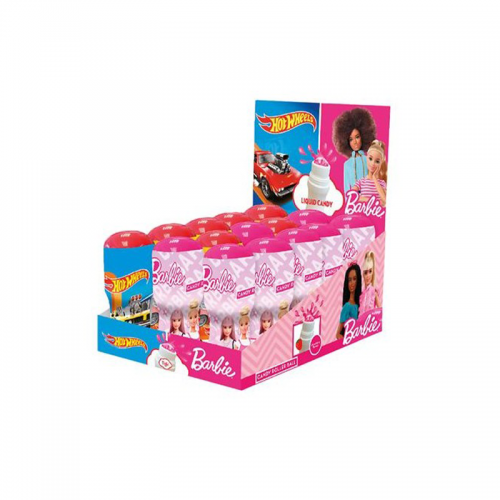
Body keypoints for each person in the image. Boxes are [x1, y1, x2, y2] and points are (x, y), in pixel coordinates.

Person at [332, 108, 377, 193]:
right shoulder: (347, 164)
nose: (355, 142)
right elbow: (346, 188)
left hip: (369, 197)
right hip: (354, 198)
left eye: (357, 137)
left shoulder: (369, 160)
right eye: (351, 139)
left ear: (363, 136)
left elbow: (375, 181)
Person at [352, 140, 387, 206]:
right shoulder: (361, 181)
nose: (373, 163)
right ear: (367, 158)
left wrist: (375, 178)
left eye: (377, 161)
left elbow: (385, 200)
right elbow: (351, 196)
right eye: (370, 159)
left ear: (380, 163)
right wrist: (372, 201)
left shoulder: (382, 183)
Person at [336, 263, 362, 340]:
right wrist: (346, 340)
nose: (352, 283)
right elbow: (338, 334)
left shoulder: (360, 303)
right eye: (349, 280)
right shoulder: (347, 306)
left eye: (354, 279)